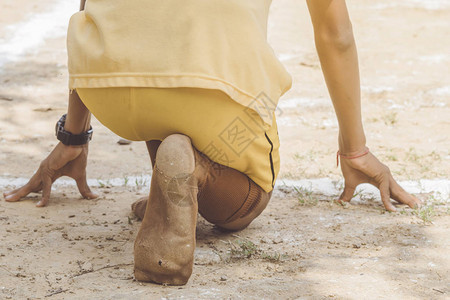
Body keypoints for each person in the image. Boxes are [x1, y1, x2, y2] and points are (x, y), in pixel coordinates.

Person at [3, 0, 420, 286]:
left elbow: (90, 6)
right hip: (217, 91)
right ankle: (197, 172)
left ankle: (173, 169)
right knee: (247, 199)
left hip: (111, 74)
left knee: (162, 63)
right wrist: (355, 150)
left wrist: (74, 136)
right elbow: (336, 34)